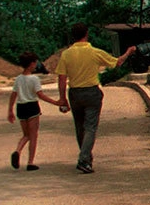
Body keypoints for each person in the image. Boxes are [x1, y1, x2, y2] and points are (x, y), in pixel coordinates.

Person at [55, 23, 137, 174]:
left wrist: (62, 99)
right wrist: (128, 52)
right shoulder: (94, 52)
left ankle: (86, 158)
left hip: (74, 93)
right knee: (90, 127)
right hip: (92, 92)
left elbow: (61, 78)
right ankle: (84, 158)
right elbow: (117, 62)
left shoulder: (66, 54)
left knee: (80, 128)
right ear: (86, 34)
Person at [7, 52, 66, 171]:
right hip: (32, 107)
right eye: (34, 62)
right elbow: (40, 95)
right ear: (31, 64)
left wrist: (10, 111)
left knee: (26, 135)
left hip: (21, 107)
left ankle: (17, 151)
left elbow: (13, 95)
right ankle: (30, 162)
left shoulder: (18, 79)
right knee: (33, 136)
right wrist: (55, 102)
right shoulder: (34, 79)